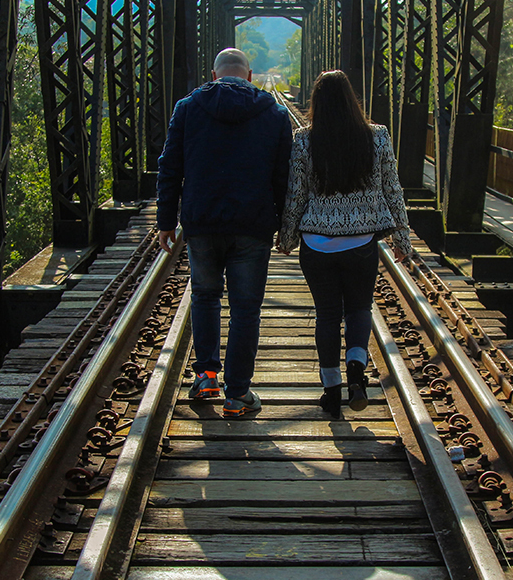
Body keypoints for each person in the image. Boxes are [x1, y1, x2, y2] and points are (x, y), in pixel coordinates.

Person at [157, 48, 293, 417]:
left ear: (214, 75)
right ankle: (238, 394)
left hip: (202, 223)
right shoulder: (274, 113)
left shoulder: (188, 108)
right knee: (246, 309)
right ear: (249, 76)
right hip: (253, 225)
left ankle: (205, 377)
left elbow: (170, 167)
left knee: (204, 297)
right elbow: (284, 176)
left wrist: (166, 221)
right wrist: (285, 225)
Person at [277, 70, 413, 417]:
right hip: (361, 243)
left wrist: (287, 237)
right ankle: (356, 370)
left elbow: (295, 194)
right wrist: (402, 238)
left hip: (316, 245)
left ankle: (331, 390)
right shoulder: (377, 136)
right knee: (359, 309)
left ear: (316, 103)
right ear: (352, 100)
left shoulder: (304, 140)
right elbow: (392, 189)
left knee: (326, 315)